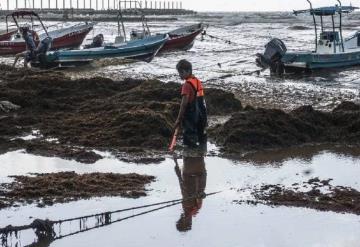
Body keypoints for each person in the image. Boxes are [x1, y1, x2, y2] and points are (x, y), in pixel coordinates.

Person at [174, 59, 208, 148]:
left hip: (191, 115)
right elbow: (201, 99)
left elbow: (184, 104)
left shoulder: (186, 85)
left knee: (189, 136)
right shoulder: (197, 81)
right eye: (179, 73)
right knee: (201, 134)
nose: (180, 75)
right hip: (201, 114)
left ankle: (190, 157)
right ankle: (202, 153)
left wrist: (179, 118)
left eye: (181, 72)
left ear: (188, 71)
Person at [174, 154, 207, 232]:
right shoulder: (193, 208)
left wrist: (178, 172)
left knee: (194, 152)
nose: (186, 219)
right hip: (195, 173)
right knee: (195, 152)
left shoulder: (190, 208)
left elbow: (184, 188)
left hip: (195, 173)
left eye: (183, 220)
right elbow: (184, 189)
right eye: (187, 221)